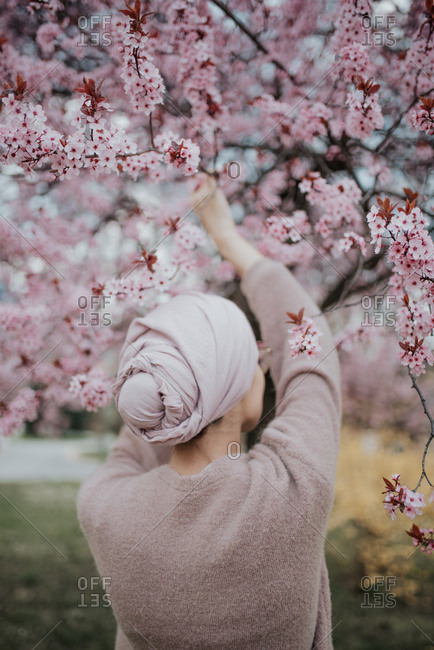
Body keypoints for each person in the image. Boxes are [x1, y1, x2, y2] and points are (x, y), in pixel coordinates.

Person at [77, 174, 342, 650]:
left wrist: (171, 379)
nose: (266, 366)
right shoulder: (294, 490)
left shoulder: (103, 506)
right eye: (256, 361)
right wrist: (226, 237)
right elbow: (311, 352)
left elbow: (142, 422)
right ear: (240, 391)